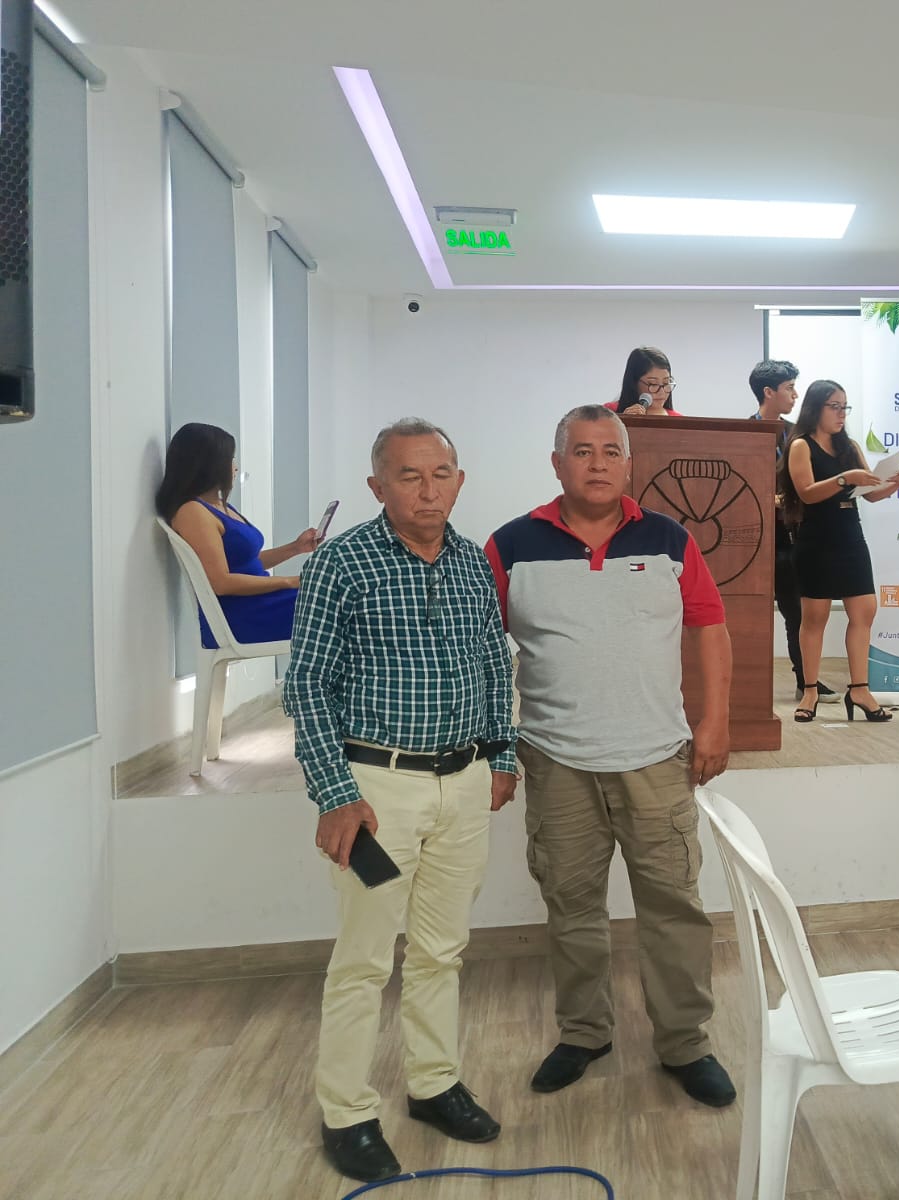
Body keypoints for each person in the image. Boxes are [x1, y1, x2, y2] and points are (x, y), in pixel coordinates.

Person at [283, 418, 518, 1184]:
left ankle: (433, 1084)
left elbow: (493, 661)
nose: (427, 490)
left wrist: (502, 755)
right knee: (363, 957)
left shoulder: (472, 562)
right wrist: (335, 794)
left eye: (440, 473)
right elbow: (306, 684)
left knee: (441, 949)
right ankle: (347, 1113)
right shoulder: (342, 563)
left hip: (463, 788)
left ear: (459, 479)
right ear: (377, 486)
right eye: (409, 476)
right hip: (376, 796)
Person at [484, 405, 737, 1109]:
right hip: (555, 760)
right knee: (571, 904)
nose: (597, 463)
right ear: (556, 463)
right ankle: (584, 1032)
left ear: (629, 464)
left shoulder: (669, 539)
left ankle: (685, 1042)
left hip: (656, 758)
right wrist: (498, 746)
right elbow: (480, 651)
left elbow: (710, 626)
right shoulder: (511, 546)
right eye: (581, 450)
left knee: (673, 905)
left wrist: (715, 721)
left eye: (610, 451)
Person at [777, 380, 899, 722]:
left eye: (844, 407)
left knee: (864, 611)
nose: (841, 414)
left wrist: (892, 484)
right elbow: (806, 493)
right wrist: (844, 479)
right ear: (815, 408)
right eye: (834, 407)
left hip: (850, 535)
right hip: (816, 537)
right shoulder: (801, 445)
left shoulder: (849, 446)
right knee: (814, 618)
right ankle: (809, 691)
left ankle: (860, 689)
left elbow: (871, 493)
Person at [156, 422, 314, 647]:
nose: (235, 467)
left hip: (264, 604)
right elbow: (221, 582)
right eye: (230, 459)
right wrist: (290, 582)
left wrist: (295, 548)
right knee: (345, 604)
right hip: (245, 614)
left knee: (349, 601)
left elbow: (246, 563)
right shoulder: (193, 512)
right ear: (210, 465)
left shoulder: (219, 506)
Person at [749, 359, 837, 705]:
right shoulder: (743, 434)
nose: (795, 395)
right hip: (760, 540)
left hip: (798, 536)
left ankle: (806, 681)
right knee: (757, 615)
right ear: (768, 392)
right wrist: (768, 498)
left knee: (798, 613)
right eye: (789, 388)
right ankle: (749, 685)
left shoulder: (797, 434)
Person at [608, 345, 683, 416]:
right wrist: (626, 420)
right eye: (653, 384)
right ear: (634, 382)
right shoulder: (609, 413)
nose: (662, 392)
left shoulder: (679, 420)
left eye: (666, 383)